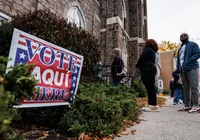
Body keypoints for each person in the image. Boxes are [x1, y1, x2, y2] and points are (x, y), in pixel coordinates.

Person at [176, 33, 200, 112]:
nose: (183, 37)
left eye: (184, 36)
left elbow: (198, 53)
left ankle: (196, 106)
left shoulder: (192, 45)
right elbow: (179, 60)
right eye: (181, 36)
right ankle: (187, 105)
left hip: (192, 68)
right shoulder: (180, 49)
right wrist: (178, 69)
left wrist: (189, 61)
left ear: (188, 37)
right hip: (183, 70)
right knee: (185, 88)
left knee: (194, 87)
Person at [136, 39, 160, 112]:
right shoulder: (152, 51)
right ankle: (152, 104)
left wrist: (137, 66)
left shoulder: (147, 49)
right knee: (151, 87)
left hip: (147, 69)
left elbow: (142, 58)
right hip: (151, 69)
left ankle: (152, 105)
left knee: (150, 88)